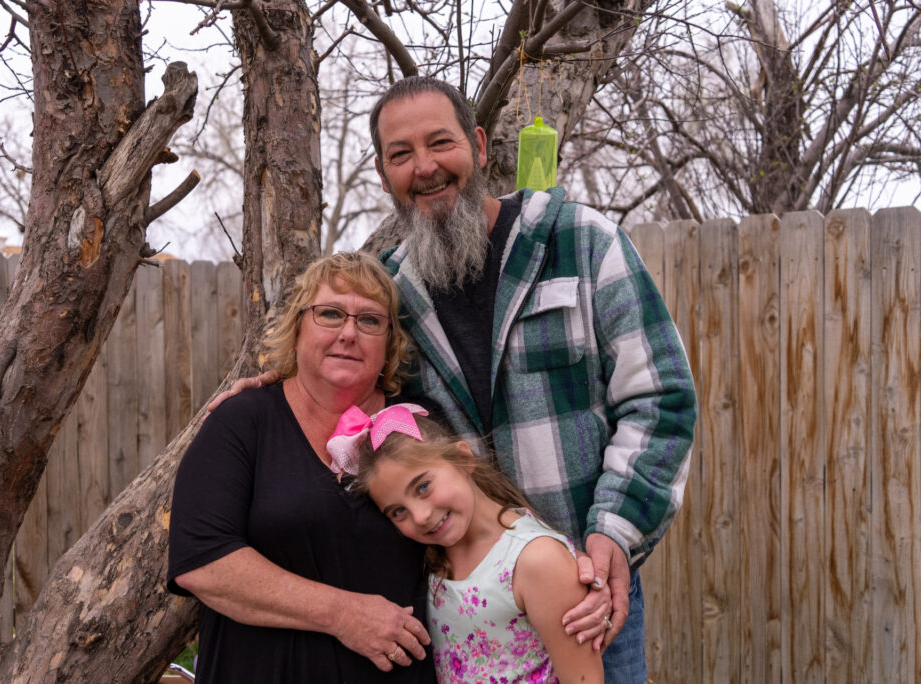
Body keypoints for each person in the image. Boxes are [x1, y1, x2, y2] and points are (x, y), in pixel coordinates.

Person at [211, 76, 697, 682]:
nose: (425, 168)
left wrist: (614, 534)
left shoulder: (580, 243)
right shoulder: (393, 295)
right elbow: (355, 387)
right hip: (464, 611)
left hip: (580, 593)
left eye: (440, 143)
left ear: (480, 146)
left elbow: (661, 399)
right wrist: (276, 392)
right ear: (385, 175)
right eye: (400, 155)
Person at [167, 252, 437, 683]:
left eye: (370, 320)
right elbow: (203, 561)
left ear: (389, 344)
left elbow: (473, 531)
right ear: (296, 329)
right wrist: (345, 615)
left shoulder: (418, 424)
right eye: (329, 314)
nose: (349, 333)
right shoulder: (242, 423)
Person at [337, 404, 604, 684]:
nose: (421, 516)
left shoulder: (536, 560)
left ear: (464, 460)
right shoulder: (431, 558)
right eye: (398, 511)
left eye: (423, 487)